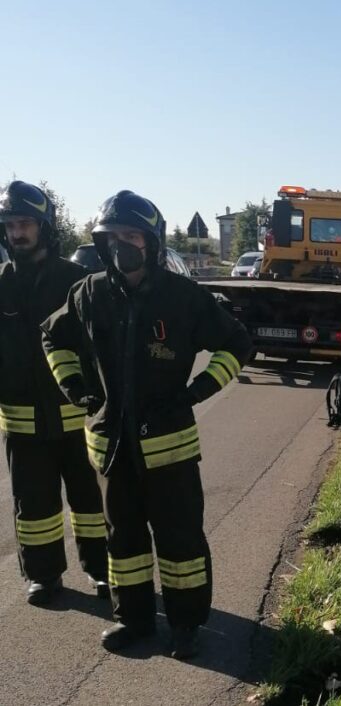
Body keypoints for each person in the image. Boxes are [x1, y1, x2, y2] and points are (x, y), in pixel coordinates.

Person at [41, 191, 252, 659]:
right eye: (111, 237)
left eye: (130, 236)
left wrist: (199, 391)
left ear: (151, 242)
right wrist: (76, 390)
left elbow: (237, 344)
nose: (121, 246)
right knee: (124, 543)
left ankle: (186, 626)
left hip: (169, 450)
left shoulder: (182, 297)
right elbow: (52, 337)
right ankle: (132, 621)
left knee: (181, 545)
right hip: (113, 451)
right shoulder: (88, 293)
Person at [0, 181, 108, 605]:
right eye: (9, 225)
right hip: (21, 423)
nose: (16, 233)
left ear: (45, 227)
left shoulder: (77, 280)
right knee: (34, 508)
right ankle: (44, 576)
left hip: (77, 420)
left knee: (90, 505)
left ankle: (103, 572)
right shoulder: (1, 283)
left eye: (24, 223)